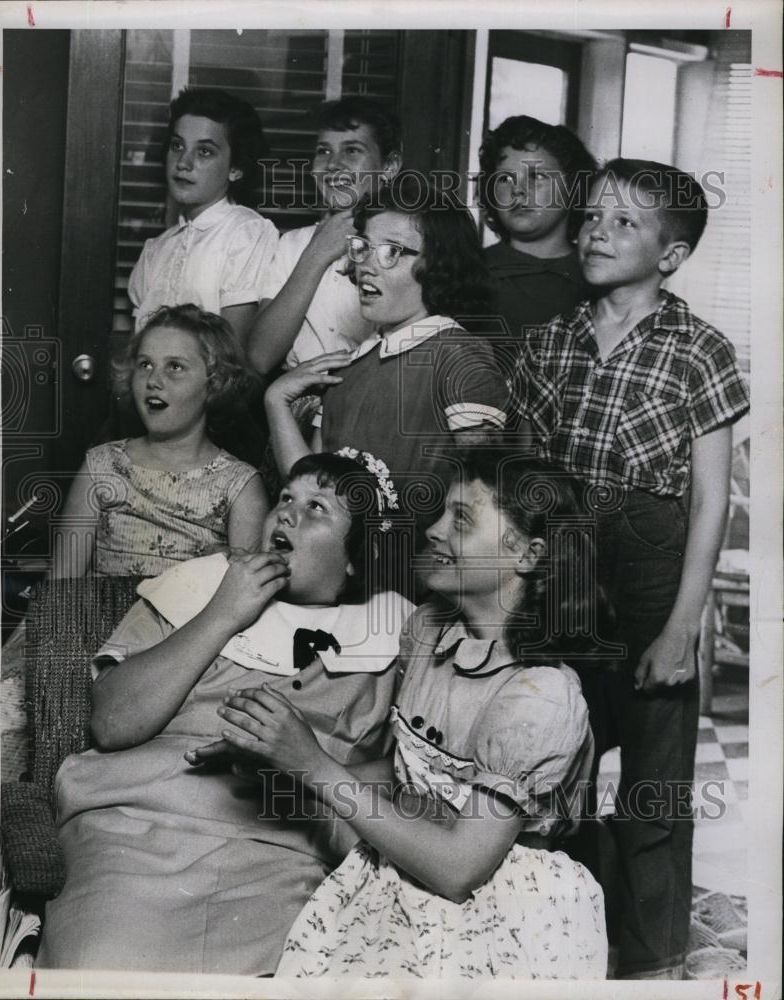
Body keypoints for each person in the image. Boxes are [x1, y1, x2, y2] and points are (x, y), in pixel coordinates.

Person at [204, 453, 608, 979]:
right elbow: (408, 777)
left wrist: (311, 766)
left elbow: (460, 870)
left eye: (461, 520)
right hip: (404, 862)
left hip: (495, 907)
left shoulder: (539, 695)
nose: (435, 530)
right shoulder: (427, 630)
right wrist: (277, 758)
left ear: (528, 556)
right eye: (441, 514)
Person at [36, 452, 414, 974]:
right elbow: (111, 723)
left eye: (317, 508)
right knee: (107, 965)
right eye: (285, 498)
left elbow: (410, 778)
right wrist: (223, 613)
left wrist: (300, 765)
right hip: (140, 829)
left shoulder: (394, 631)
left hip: (280, 854)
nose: (287, 514)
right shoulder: (199, 582)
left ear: (355, 559)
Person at [512, 159, 751, 979]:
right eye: (592, 217)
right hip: (567, 567)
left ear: (671, 255)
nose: (594, 232)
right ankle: (566, 935)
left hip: (657, 572)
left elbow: (710, 502)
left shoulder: (699, 349)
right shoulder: (549, 343)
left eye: (623, 222)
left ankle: (652, 956)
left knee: (653, 783)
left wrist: (684, 624)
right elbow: (529, 482)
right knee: (556, 763)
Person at [265, 175, 511, 548]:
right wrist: (276, 400)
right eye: (362, 247)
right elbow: (310, 487)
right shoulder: (349, 365)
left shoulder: (458, 355)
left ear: (439, 265)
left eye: (391, 252)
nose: (366, 265)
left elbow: (484, 495)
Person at [53, 304, 268, 578]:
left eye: (175, 367)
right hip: (101, 618)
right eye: (145, 365)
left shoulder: (240, 486)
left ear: (215, 383)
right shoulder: (101, 466)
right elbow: (60, 586)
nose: (154, 380)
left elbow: (243, 600)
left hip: (193, 620)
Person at [247, 96, 403, 374]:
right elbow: (260, 357)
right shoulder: (292, 245)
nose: (333, 165)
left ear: (389, 167)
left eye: (352, 150)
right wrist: (316, 254)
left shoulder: (404, 245)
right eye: (323, 151)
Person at [127, 87, 278, 349]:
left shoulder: (246, 233)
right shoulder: (156, 249)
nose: (183, 162)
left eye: (204, 151)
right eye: (177, 146)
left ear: (236, 169)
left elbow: (233, 353)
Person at [476, 115, 596, 350]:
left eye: (537, 176)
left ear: (573, 187)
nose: (518, 190)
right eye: (504, 179)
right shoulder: (468, 270)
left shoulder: (598, 275)